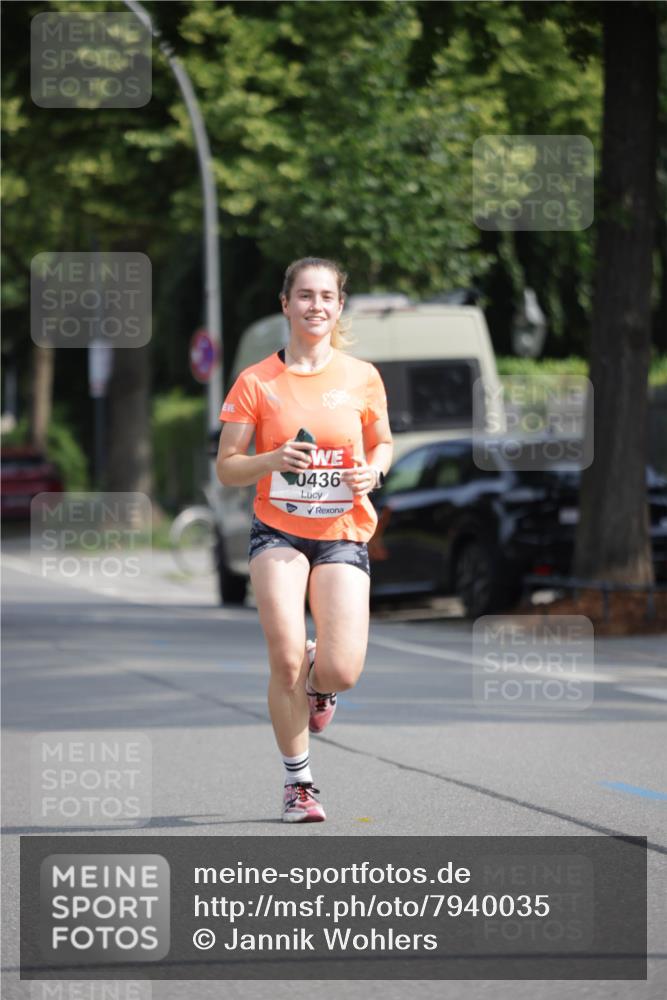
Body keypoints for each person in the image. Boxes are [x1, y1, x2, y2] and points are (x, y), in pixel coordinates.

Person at [216, 257, 393, 823]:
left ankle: (322, 686)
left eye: (327, 297)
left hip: (342, 532)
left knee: (341, 669)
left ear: (339, 306)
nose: (316, 305)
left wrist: (374, 470)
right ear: (285, 303)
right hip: (279, 532)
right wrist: (271, 458)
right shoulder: (255, 382)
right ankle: (300, 785)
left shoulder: (362, 376)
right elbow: (227, 467)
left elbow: (383, 442)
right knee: (285, 657)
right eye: (305, 296)